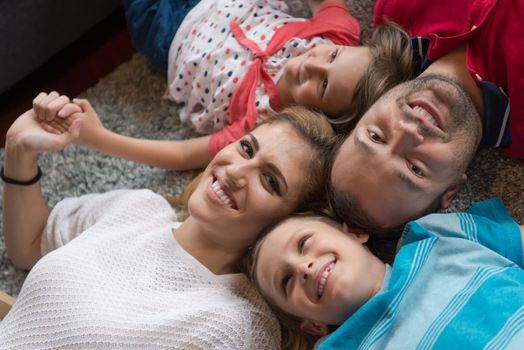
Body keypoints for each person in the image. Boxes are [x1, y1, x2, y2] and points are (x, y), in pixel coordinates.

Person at [0, 103, 334, 348]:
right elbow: (29, 246)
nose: (235, 172)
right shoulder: (138, 208)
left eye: (270, 181)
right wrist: (18, 151)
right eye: (246, 148)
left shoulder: (235, 324)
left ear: (289, 222)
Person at [42, 0, 412, 170]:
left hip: (166, 34)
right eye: (330, 57)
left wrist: (97, 137)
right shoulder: (338, 33)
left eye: (323, 86)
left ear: (318, 116)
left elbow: (187, 155)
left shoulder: (269, 123)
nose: (310, 64)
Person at [329, 0, 523, 235]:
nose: (408, 131)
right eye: (415, 168)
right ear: (451, 190)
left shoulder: (394, 14)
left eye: (376, 136)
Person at [249, 200, 524, 349]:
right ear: (313, 325)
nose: (302, 268)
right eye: (286, 282)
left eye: (303, 243)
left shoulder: (431, 234)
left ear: (355, 233)